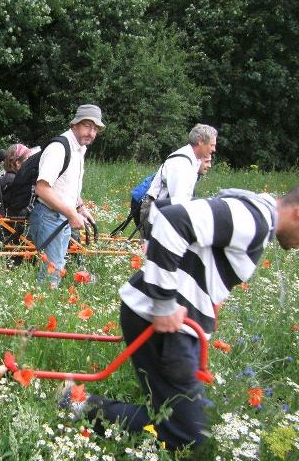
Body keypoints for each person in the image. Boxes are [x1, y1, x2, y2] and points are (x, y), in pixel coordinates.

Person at [61, 186, 299, 452]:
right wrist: (164, 302)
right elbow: (173, 218)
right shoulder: (255, 218)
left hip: (171, 325)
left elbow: (164, 206)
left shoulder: (253, 211)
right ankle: (76, 403)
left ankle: (79, 403)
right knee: (187, 434)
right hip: (162, 325)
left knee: (184, 420)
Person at [29, 104, 103, 286]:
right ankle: (41, 309)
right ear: (75, 124)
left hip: (62, 215)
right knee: (51, 272)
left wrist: (79, 207)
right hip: (49, 215)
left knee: (57, 266)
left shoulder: (79, 148)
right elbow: (42, 189)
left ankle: (45, 305)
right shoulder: (59, 148)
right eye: (87, 126)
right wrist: (71, 214)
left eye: (95, 129)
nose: (91, 133)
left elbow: (66, 185)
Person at [138, 124, 217, 238]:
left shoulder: (192, 159)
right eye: (212, 145)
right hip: (158, 212)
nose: (214, 149)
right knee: (153, 253)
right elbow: (179, 202)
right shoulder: (182, 163)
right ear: (200, 141)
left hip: (165, 211)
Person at [0, 143, 31, 215]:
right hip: (12, 222)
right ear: (18, 163)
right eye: (28, 159)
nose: (30, 162)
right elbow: (17, 210)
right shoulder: (15, 181)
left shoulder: (7, 177)